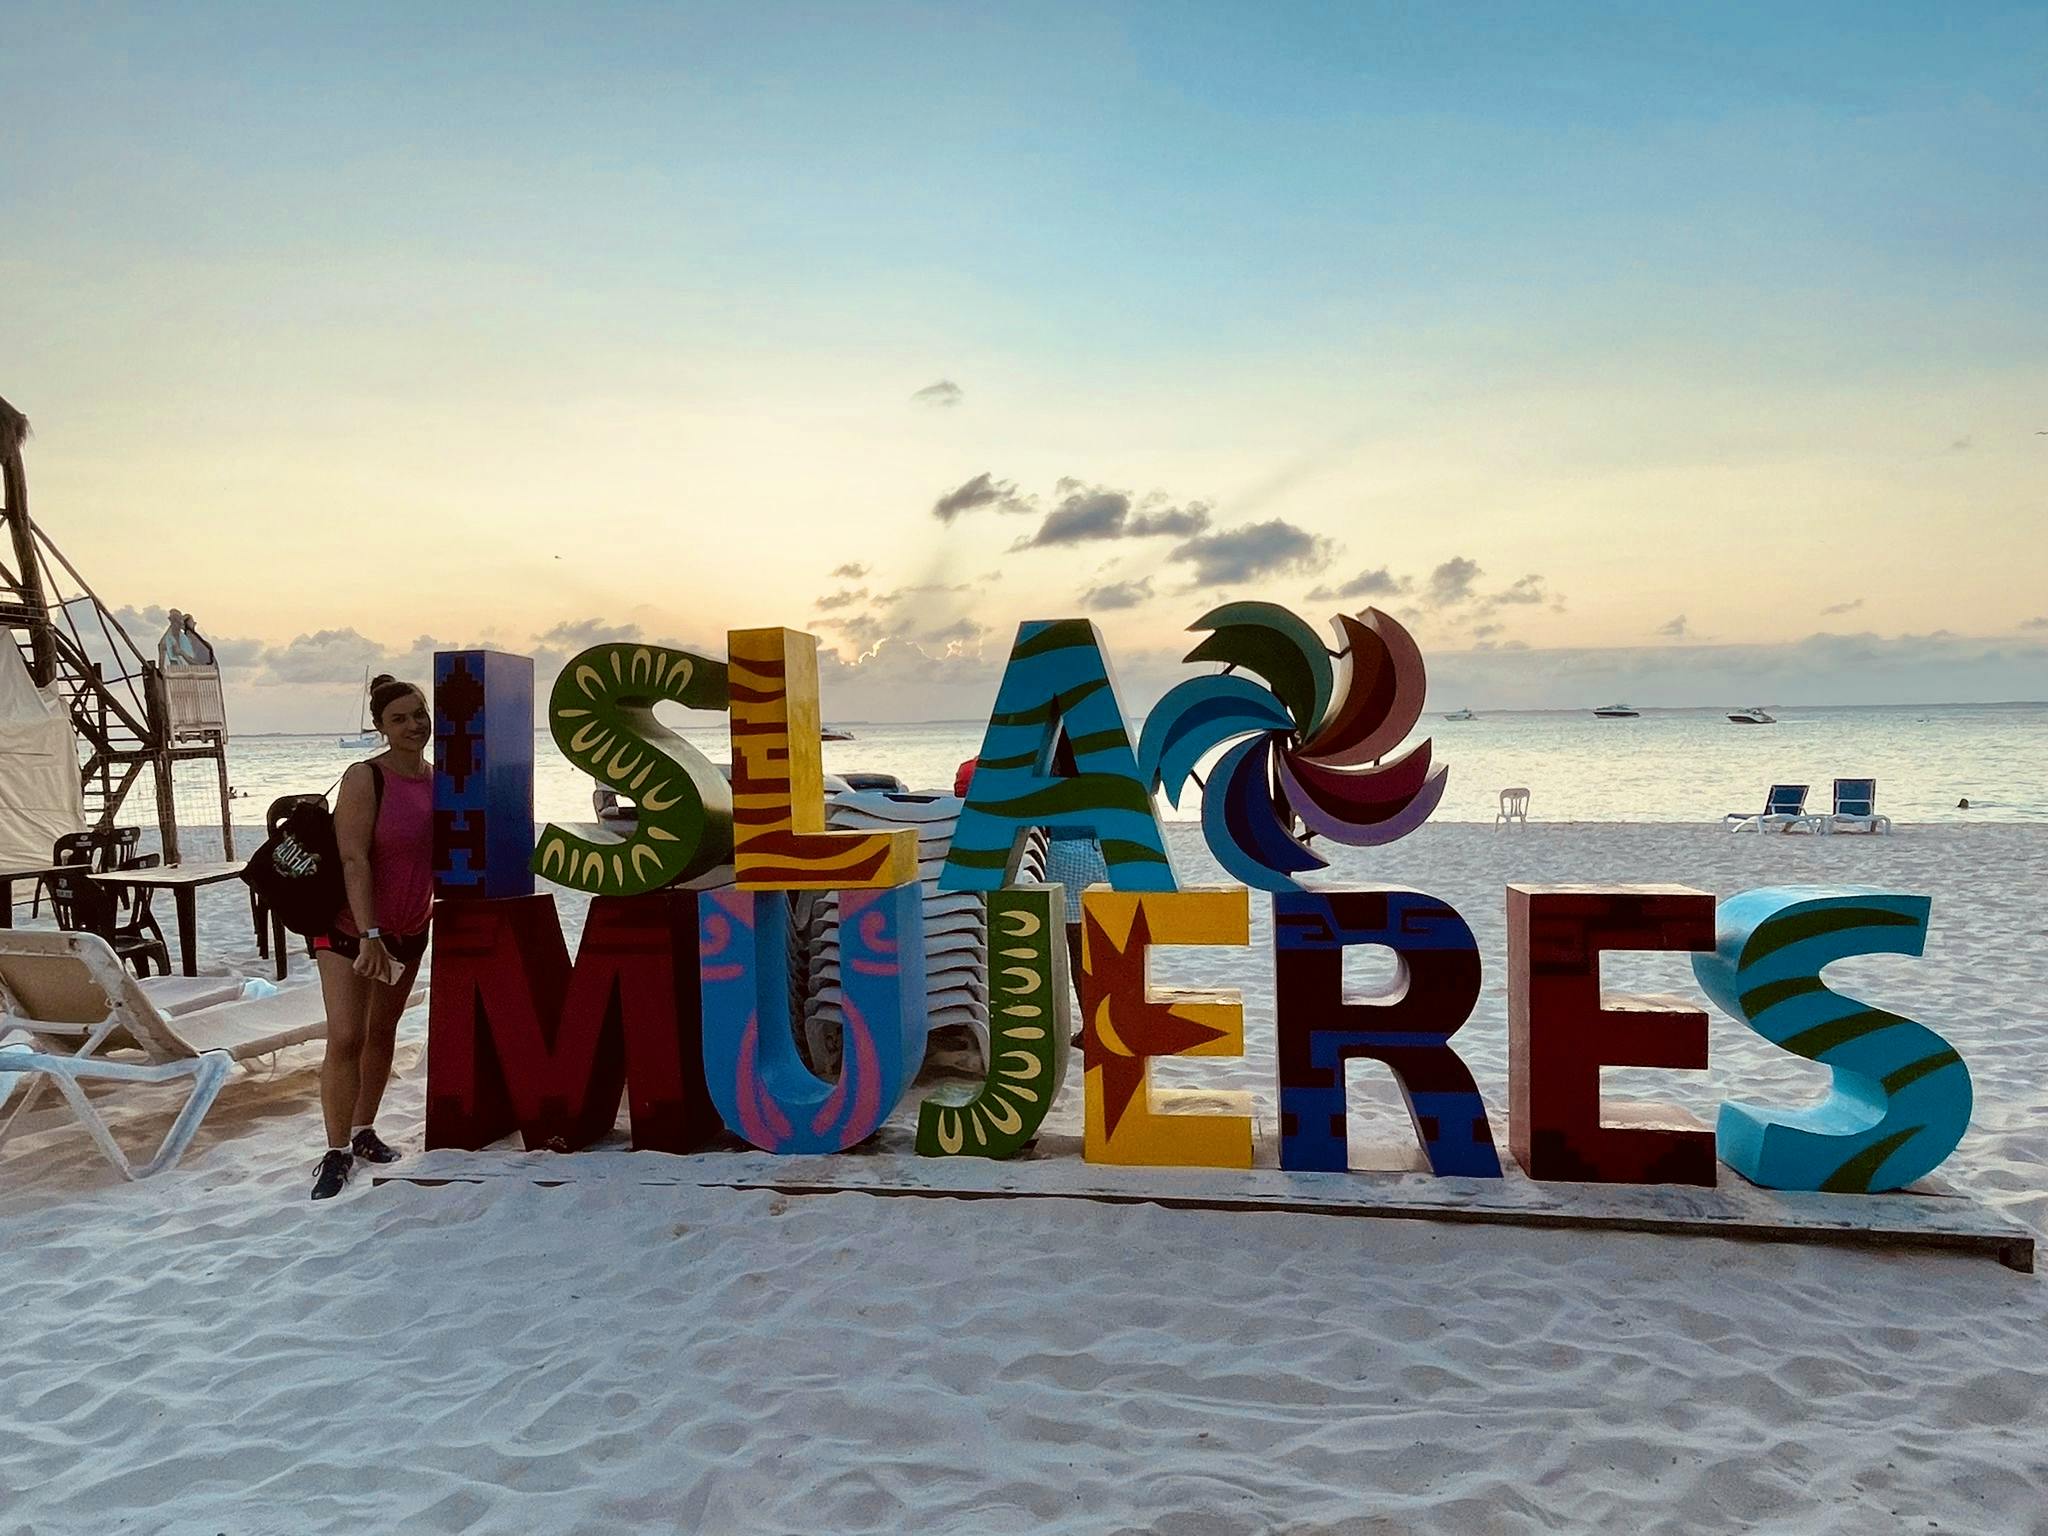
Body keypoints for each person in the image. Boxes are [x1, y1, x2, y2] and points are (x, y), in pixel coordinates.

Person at [310, 674, 435, 1200]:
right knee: (347, 1037)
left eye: (419, 713)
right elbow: (354, 859)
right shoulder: (366, 777)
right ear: (381, 727)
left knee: (383, 1032)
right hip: (349, 930)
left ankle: (363, 1132)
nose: (413, 725)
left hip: (410, 929)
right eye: (399, 718)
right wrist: (369, 934)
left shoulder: (440, 779)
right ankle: (335, 1150)